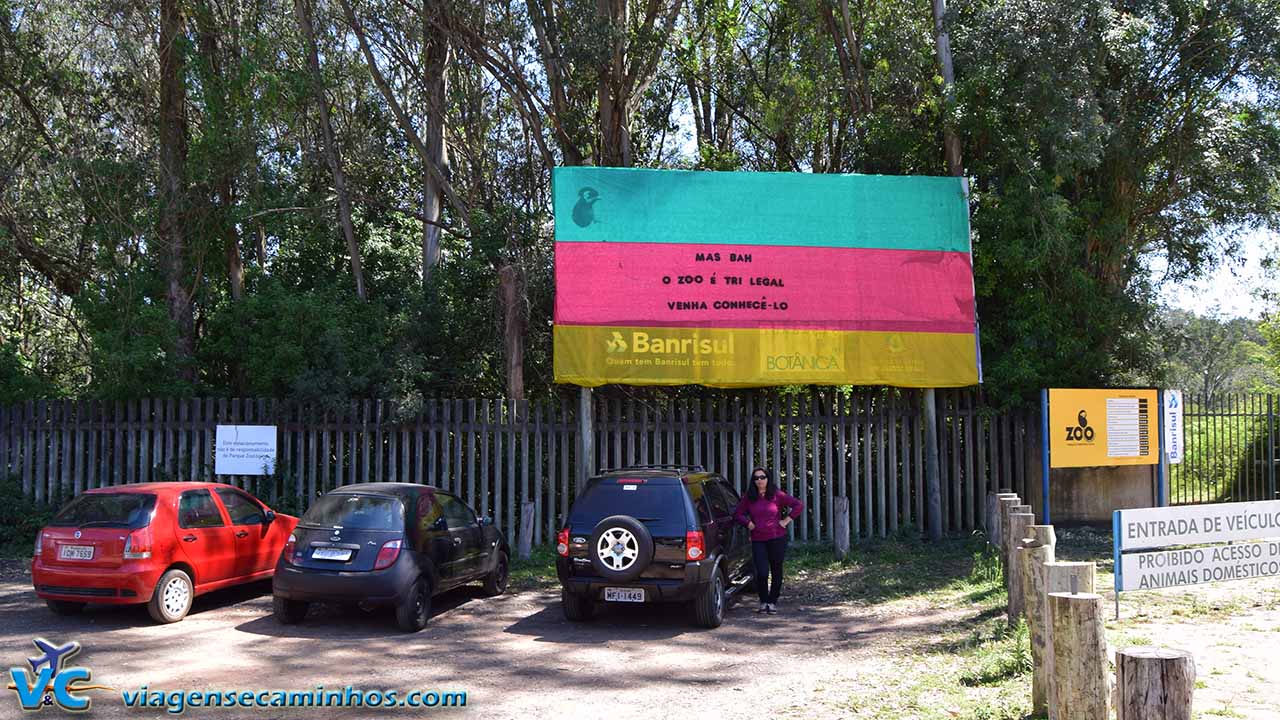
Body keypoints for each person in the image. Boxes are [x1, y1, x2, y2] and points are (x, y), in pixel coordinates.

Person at [732, 467, 803, 614]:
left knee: (776, 570)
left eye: (762, 477)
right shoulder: (749, 497)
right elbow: (737, 514)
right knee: (762, 572)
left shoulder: (776, 494)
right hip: (758, 539)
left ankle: (772, 602)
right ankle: (763, 601)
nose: (760, 480)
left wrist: (786, 520)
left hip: (777, 538)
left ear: (768, 478)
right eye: (756, 478)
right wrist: (748, 523)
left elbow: (798, 505)